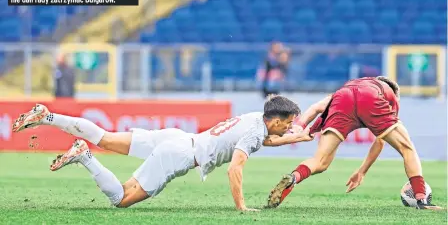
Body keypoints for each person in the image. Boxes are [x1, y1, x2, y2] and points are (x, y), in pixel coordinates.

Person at [12, 95, 313, 211]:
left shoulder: (254, 118)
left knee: (104, 137)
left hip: (177, 138)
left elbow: (264, 140)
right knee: (121, 199)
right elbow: (236, 168)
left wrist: (293, 138)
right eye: (287, 124)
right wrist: (242, 207)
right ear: (274, 120)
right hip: (179, 154)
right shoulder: (256, 132)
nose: (288, 128)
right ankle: (83, 155)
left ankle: (47, 116)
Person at [266, 76, 442, 210]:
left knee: (320, 161)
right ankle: (421, 199)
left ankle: (293, 178)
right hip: (370, 99)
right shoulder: (389, 95)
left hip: (343, 99)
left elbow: (316, 108)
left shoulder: (354, 84)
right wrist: (362, 171)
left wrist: (300, 126)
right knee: (407, 148)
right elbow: (380, 142)